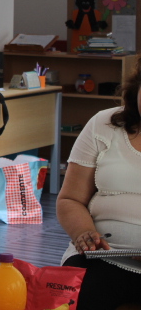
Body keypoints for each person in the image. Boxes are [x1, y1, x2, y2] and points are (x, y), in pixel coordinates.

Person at [57, 57, 141, 310]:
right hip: (102, 257)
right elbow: (70, 199)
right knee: (78, 295)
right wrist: (84, 234)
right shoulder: (104, 124)